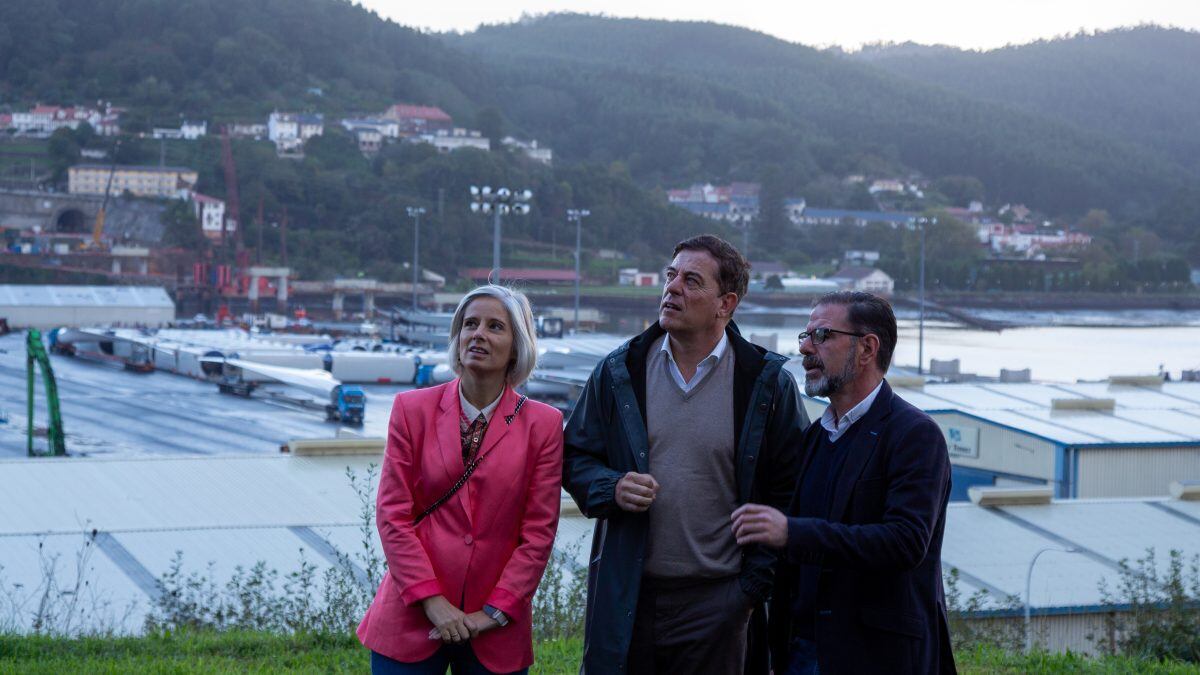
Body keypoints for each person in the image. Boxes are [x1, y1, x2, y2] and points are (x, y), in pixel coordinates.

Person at [563, 235, 810, 675]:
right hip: (630, 597)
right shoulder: (621, 371)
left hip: (721, 600)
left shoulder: (766, 384)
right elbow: (574, 457)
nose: (672, 288)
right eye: (670, 276)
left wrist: (751, 589)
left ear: (725, 303)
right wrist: (611, 486)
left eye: (691, 281)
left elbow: (794, 490)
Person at [731, 291, 956, 674]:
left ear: (867, 348)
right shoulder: (816, 437)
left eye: (821, 336)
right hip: (803, 652)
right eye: (805, 335)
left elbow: (905, 542)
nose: (804, 348)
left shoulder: (914, 435)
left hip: (879, 656)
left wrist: (792, 532)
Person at [358, 285, 564, 675]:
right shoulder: (411, 409)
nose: (478, 334)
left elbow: (538, 533)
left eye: (494, 326)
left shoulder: (544, 424)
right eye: (470, 324)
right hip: (411, 615)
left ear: (517, 347)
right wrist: (431, 601)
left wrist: (496, 611)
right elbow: (392, 516)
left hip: (496, 625)